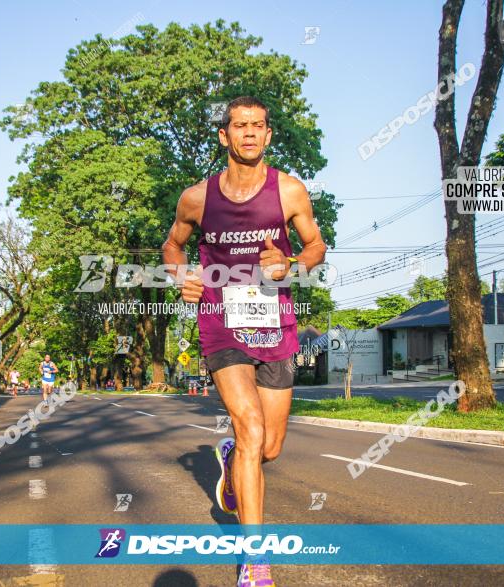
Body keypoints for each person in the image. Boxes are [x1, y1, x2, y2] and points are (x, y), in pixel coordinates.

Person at [162, 96, 326, 587]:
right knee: (250, 426)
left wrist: (294, 265)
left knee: (269, 446)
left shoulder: (290, 191)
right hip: (220, 319)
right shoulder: (197, 198)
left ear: (268, 135)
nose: (249, 133)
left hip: (275, 321)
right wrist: (180, 274)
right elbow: (173, 243)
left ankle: (231, 457)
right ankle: (255, 563)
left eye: (258, 126)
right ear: (225, 136)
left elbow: (316, 245)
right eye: (240, 126)